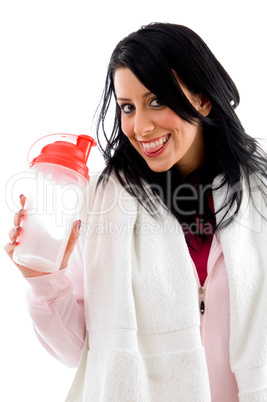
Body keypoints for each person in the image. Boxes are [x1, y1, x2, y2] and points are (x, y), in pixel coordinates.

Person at [4, 22, 267, 401]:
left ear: (203, 99)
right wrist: (43, 279)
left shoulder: (259, 198)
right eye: (127, 107)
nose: (140, 127)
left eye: (156, 101)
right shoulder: (102, 206)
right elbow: (80, 354)